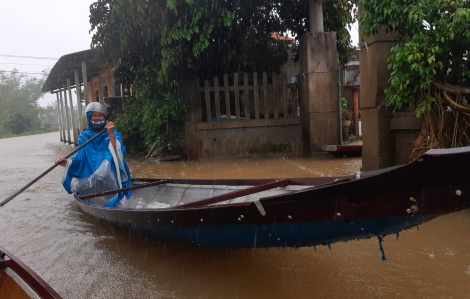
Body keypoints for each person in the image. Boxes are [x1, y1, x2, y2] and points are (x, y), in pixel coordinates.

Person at [56, 102, 132, 207]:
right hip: (92, 171)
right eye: (94, 115)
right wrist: (67, 162)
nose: (97, 118)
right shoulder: (83, 137)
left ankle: (120, 198)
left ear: (105, 117)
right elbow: (81, 158)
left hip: (112, 170)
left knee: (112, 159)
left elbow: (117, 151)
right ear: (89, 117)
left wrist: (111, 134)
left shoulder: (113, 132)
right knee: (88, 182)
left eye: (100, 115)